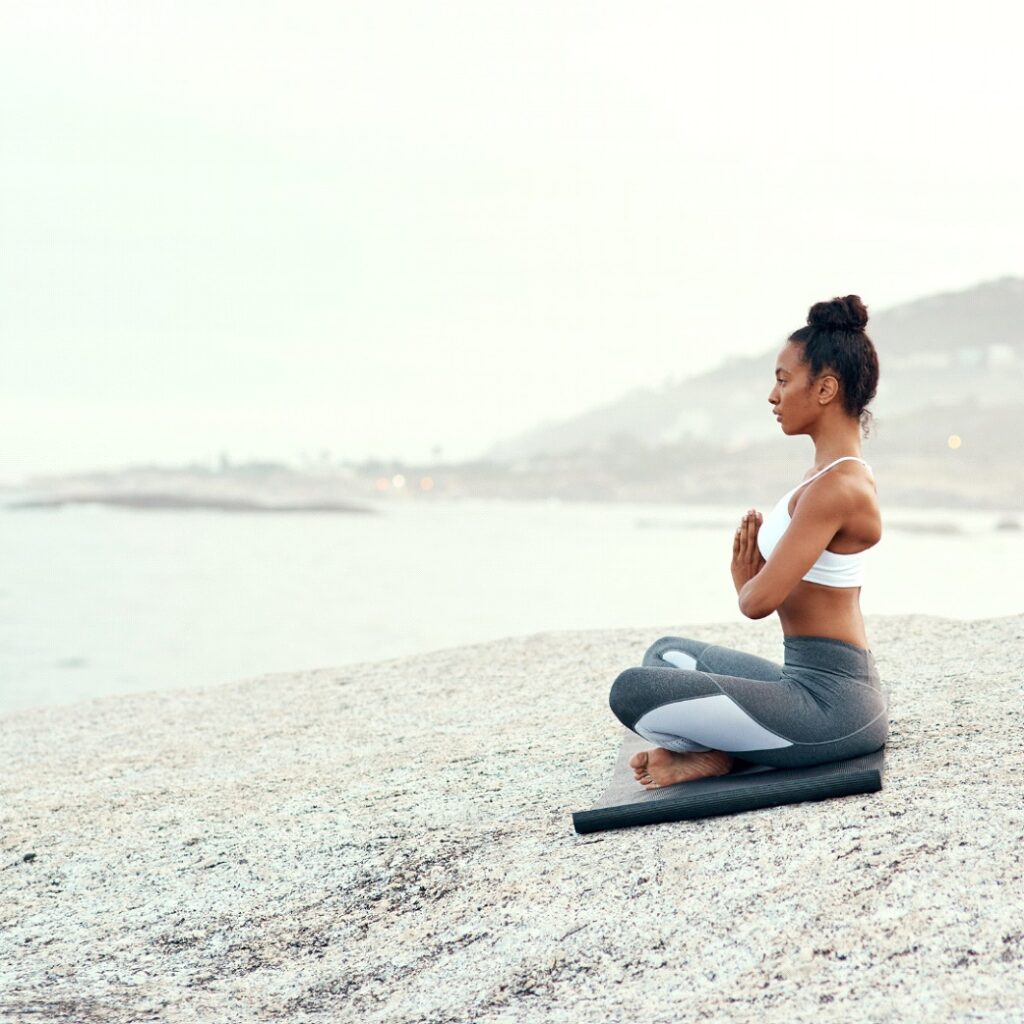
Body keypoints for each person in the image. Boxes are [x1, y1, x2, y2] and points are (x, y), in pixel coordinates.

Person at [609, 294, 888, 789]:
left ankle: (716, 752)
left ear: (825, 389)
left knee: (632, 691)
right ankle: (720, 751)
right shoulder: (821, 475)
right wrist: (756, 575)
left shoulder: (839, 487)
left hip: (835, 708)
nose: (772, 395)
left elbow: (758, 602)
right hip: (797, 679)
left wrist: (746, 579)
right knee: (666, 653)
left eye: (783, 380)